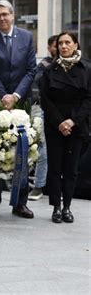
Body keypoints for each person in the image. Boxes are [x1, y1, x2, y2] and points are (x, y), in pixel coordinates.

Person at [0, 0, 36, 220]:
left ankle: (20, 203)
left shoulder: (26, 37)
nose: (2, 18)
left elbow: (31, 70)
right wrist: (4, 95)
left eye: (5, 14)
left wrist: (16, 96)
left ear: (13, 15)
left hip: (21, 102)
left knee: (24, 151)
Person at [38, 31, 91, 223]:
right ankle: (56, 207)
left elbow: (88, 99)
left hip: (77, 126)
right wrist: (60, 122)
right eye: (60, 43)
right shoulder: (49, 70)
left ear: (76, 45)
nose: (64, 46)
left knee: (71, 169)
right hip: (55, 126)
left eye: (68, 42)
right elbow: (45, 99)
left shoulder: (86, 69)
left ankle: (67, 206)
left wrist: (72, 121)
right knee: (55, 167)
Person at [28, 35, 58, 201]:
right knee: (43, 150)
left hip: (61, 113)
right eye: (56, 45)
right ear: (49, 48)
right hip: (40, 109)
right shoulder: (44, 65)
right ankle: (38, 187)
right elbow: (38, 82)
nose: (60, 48)